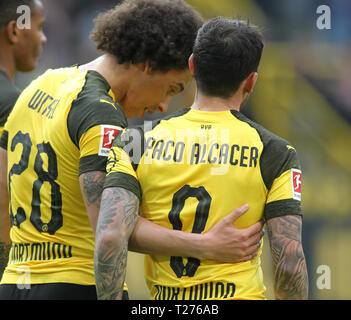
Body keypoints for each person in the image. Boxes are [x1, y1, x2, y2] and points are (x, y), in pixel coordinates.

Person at [0, 1, 263, 300]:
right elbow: (110, 229)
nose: (164, 106)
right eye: (172, 88)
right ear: (148, 65)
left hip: (14, 282)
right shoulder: (101, 115)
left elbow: (1, 195)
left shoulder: (39, 85)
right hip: (78, 285)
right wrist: (205, 244)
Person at [99, 17, 309, 300]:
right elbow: (291, 265)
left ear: (192, 66)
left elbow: (110, 237)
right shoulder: (275, 153)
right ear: (251, 81)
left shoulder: (136, 142)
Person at [0, 0, 46, 279]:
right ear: (14, 32)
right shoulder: (10, 104)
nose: (43, 38)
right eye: (39, 27)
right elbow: (4, 188)